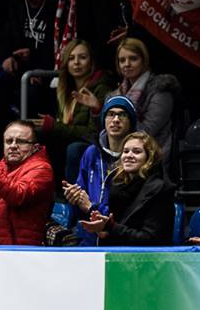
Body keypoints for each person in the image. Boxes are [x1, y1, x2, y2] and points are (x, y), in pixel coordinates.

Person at [32, 39, 113, 182]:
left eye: (82, 57)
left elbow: (92, 133)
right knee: (36, 136)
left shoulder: (102, 87)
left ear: (91, 62)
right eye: (71, 58)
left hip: (94, 144)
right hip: (70, 139)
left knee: (73, 148)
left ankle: (70, 196)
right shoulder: (64, 88)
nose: (76, 62)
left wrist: (55, 127)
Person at [63, 95, 137, 246]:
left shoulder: (134, 158)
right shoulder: (91, 153)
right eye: (110, 114)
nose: (115, 119)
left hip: (120, 242)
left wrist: (91, 207)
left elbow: (129, 212)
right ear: (104, 120)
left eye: (122, 114)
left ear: (131, 123)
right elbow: (81, 199)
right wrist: (74, 198)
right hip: (89, 241)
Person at [80, 131, 176, 246]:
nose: (129, 155)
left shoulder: (160, 189)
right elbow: (118, 232)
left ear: (149, 158)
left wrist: (110, 227)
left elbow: (151, 239)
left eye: (137, 152)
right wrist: (104, 231)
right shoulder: (117, 186)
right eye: (125, 151)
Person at [101, 38, 180, 168]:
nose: (127, 64)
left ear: (144, 60)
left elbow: (148, 130)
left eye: (133, 59)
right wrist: (97, 111)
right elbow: (106, 130)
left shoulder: (160, 89)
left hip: (153, 152)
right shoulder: (114, 95)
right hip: (120, 153)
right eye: (122, 60)